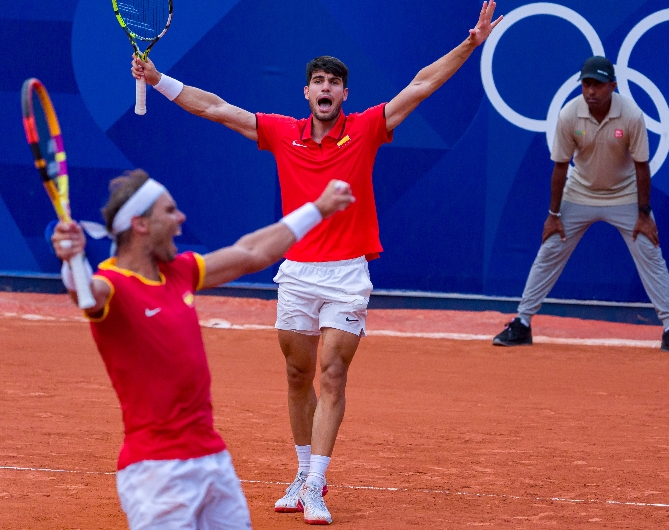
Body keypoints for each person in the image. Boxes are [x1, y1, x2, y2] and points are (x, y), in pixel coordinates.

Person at [130, 2, 503, 524]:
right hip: (297, 272)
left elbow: (420, 86)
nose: (325, 89)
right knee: (296, 372)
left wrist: (470, 44)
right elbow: (215, 108)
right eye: (318, 82)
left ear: (344, 94)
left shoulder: (368, 127)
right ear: (306, 92)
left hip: (348, 273)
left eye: (334, 83)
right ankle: (300, 470)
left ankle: (315, 482)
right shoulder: (282, 133)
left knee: (332, 373)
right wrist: (159, 78)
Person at [50, 169, 355, 529]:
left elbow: (250, 252)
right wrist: (73, 262)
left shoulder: (179, 271)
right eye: (170, 211)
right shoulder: (111, 285)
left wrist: (317, 209)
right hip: (155, 472)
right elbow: (85, 295)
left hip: (212, 461)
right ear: (141, 224)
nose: (180, 218)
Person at [492, 56, 669, 355]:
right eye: (586, 84)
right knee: (549, 250)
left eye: (598, 85)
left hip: (624, 195)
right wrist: (553, 215)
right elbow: (560, 167)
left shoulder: (632, 116)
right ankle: (522, 322)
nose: (591, 91)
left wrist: (644, 213)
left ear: (613, 86)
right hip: (580, 193)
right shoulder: (569, 115)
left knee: (651, 252)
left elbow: (641, 167)